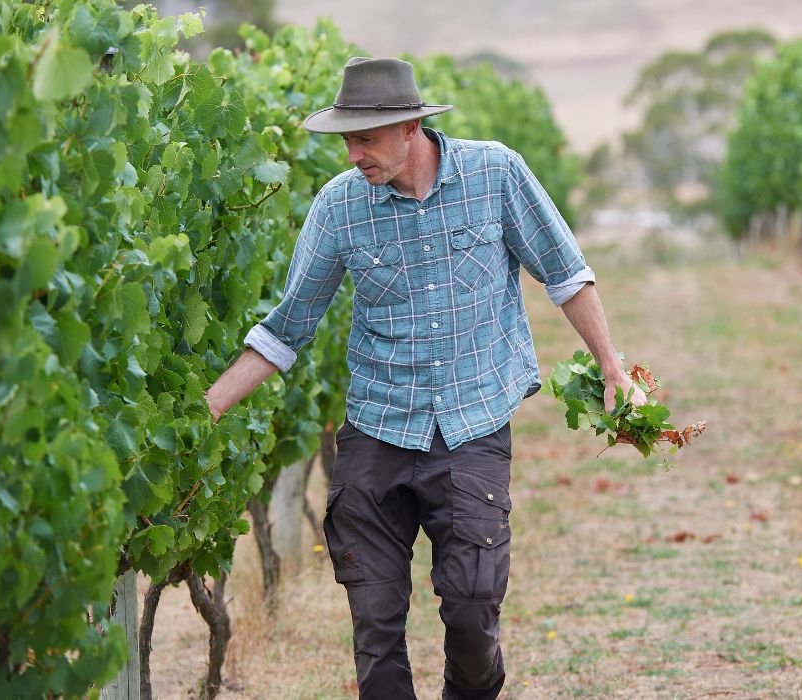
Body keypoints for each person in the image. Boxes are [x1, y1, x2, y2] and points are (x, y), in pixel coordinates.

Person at [203, 56, 645, 700]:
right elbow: (286, 329)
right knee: (374, 624)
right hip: (376, 430)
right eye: (346, 140)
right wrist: (206, 408)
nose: (354, 154)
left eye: (366, 139)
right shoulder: (339, 208)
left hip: (471, 427)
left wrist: (613, 368)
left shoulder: (494, 173)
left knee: (471, 610)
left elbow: (566, 273)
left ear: (410, 128)